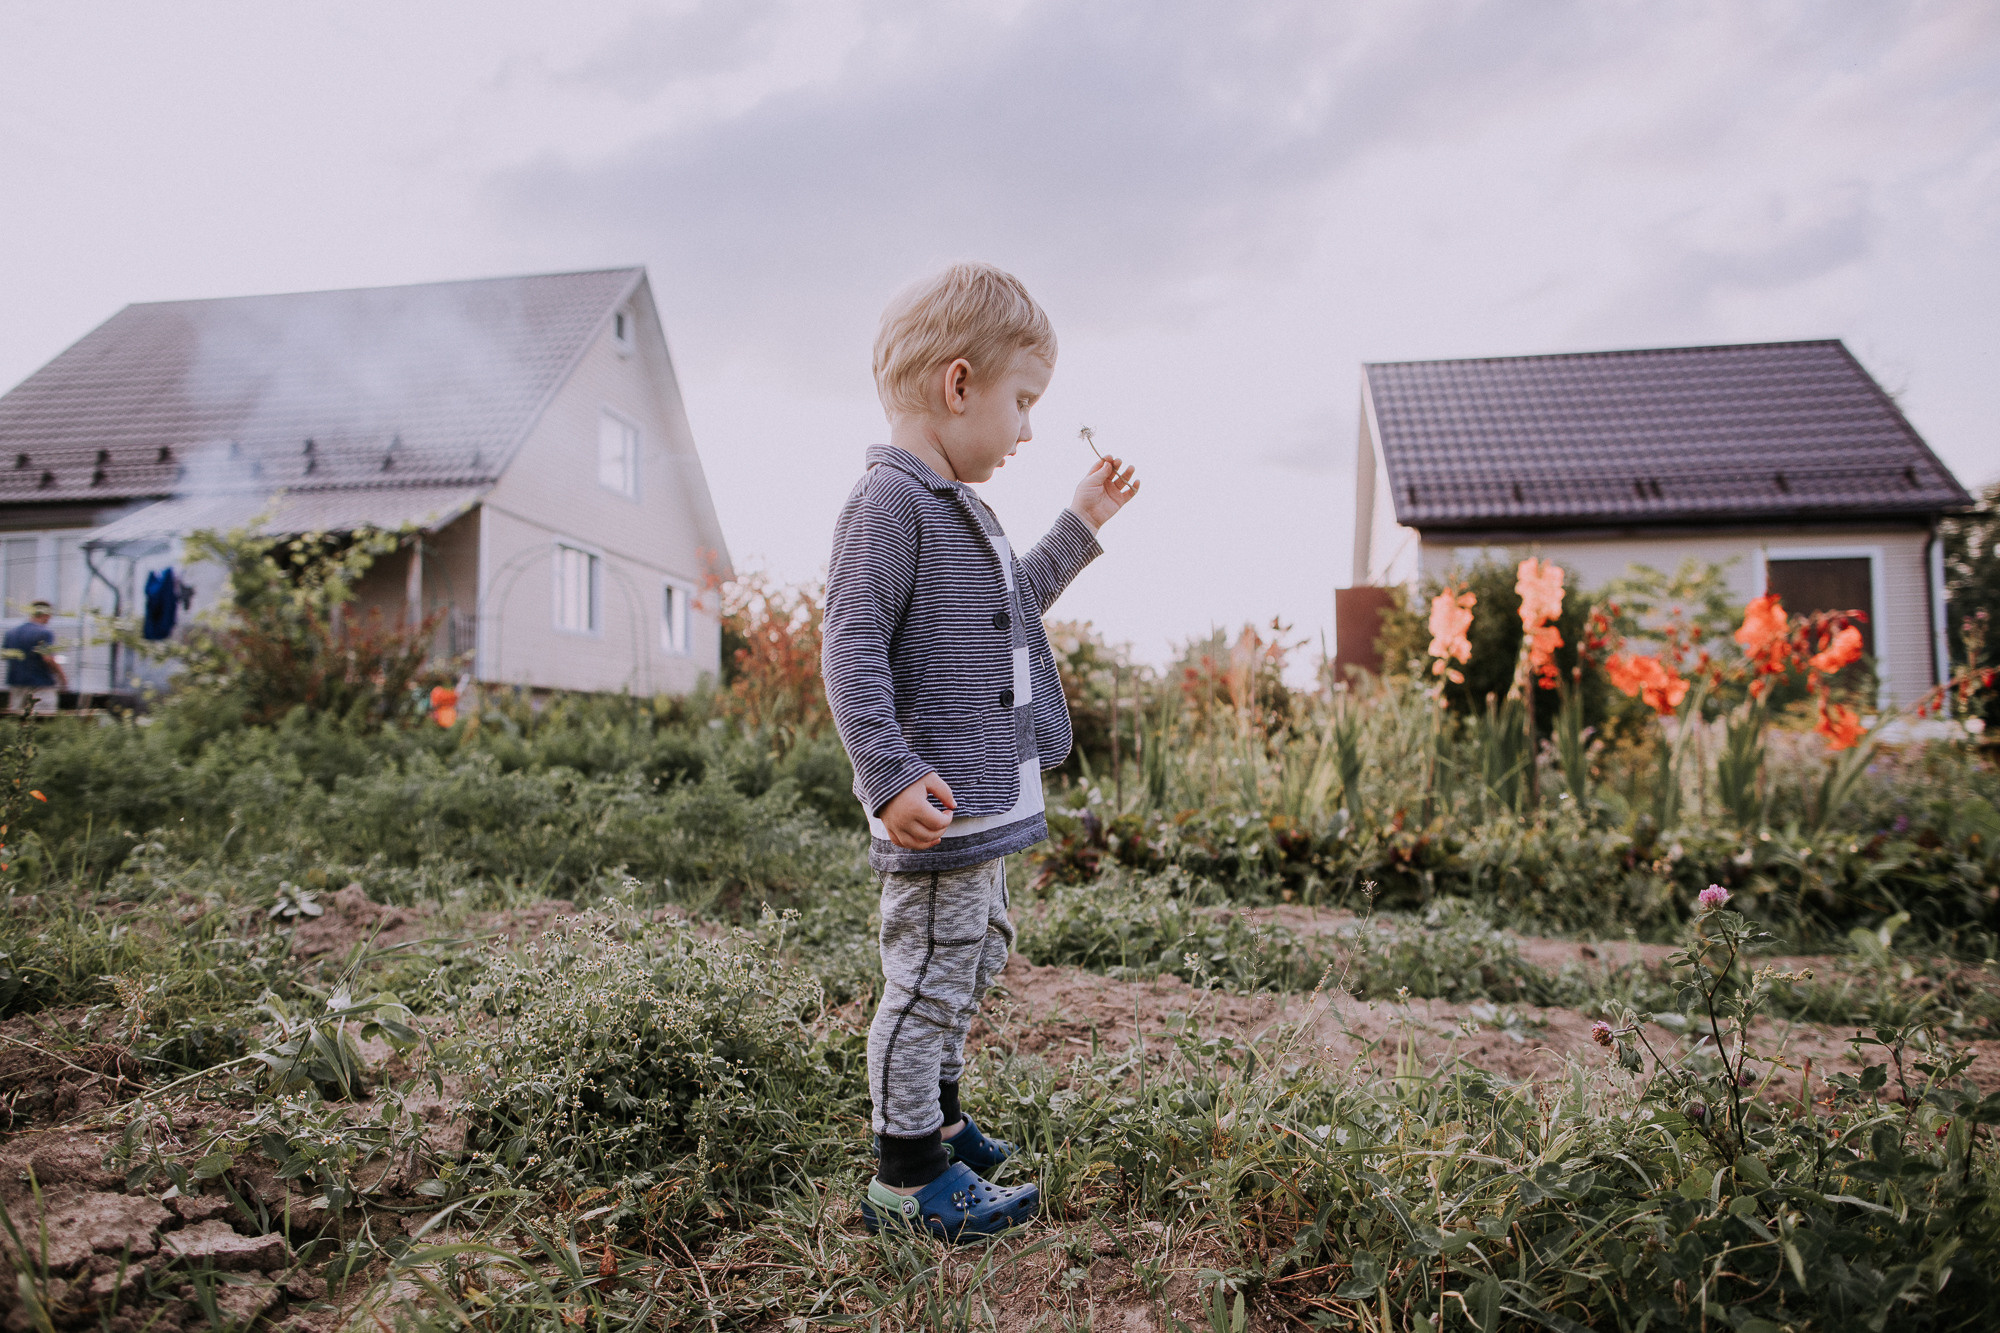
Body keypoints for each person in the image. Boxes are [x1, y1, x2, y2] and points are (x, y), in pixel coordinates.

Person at [822, 263, 1141, 1241]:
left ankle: (943, 1118)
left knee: (972, 955)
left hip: (984, 803)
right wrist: (884, 775)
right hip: (935, 808)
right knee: (925, 977)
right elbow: (849, 644)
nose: (1028, 430)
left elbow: (1014, 604)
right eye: (1023, 402)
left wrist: (1080, 523)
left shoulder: (962, 506)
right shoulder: (889, 503)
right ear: (958, 385)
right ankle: (907, 1174)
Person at [5, 600, 68, 714]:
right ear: (46, 614)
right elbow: (47, 658)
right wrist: (62, 678)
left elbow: (6, 656)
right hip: (41, 684)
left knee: (16, 717)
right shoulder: (44, 633)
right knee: (43, 717)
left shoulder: (11, 633)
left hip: (16, 683)